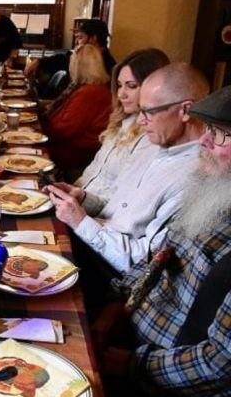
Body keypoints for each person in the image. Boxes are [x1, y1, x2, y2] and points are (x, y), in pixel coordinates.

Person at [92, 85, 231, 397]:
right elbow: (157, 258)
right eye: (208, 129)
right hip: (128, 332)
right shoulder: (214, 193)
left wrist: (131, 364)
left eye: (219, 134)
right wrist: (113, 307)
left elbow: (219, 365)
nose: (204, 141)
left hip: (163, 391)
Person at [46, 63, 208, 281]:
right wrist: (82, 198)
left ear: (186, 110)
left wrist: (80, 221)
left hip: (105, 274)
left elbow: (145, 263)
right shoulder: (152, 146)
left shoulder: (196, 178)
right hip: (89, 239)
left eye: (148, 112)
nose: (140, 120)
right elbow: (115, 206)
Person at [75, 48, 170, 201]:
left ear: (152, 88)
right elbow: (92, 172)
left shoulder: (151, 137)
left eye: (131, 86)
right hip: (80, 200)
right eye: (119, 85)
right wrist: (69, 190)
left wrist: (79, 199)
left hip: (94, 211)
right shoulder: (122, 121)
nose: (121, 94)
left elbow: (120, 200)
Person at [41, 44, 113, 175]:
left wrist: (38, 128)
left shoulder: (90, 92)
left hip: (74, 152)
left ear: (78, 66)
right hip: (72, 147)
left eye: (72, 63)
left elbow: (62, 131)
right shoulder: (92, 87)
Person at [26, 18, 117, 96]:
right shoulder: (83, 57)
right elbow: (62, 59)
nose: (77, 42)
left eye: (80, 37)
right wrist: (39, 62)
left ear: (93, 38)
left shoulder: (107, 66)